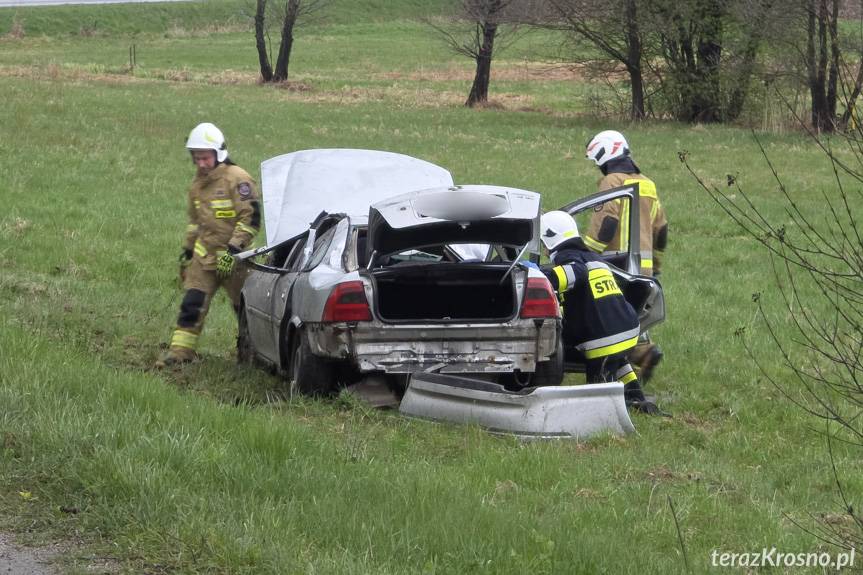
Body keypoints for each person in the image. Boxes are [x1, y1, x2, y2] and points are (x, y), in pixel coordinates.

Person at [155, 122, 261, 368]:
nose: (201, 163)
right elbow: (195, 222)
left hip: (236, 262)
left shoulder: (238, 179)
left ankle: (253, 356)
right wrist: (188, 250)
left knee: (245, 311)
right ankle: (180, 353)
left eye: (205, 158)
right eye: (196, 158)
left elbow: (251, 219)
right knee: (191, 305)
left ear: (218, 153)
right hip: (204, 259)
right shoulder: (197, 185)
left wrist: (233, 250)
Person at [537, 210, 659, 414]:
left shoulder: (568, 257)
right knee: (618, 362)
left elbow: (576, 272)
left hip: (604, 338)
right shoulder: (592, 257)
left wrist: (542, 276)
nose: (543, 250)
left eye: (543, 244)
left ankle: (611, 413)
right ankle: (636, 399)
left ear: (551, 240)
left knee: (598, 392)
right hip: (628, 329)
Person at [582, 129, 666, 384]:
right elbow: (661, 230)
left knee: (605, 320)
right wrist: (656, 265)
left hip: (615, 266)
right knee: (628, 316)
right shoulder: (648, 184)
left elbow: (606, 222)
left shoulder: (612, 182)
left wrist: (586, 253)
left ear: (605, 155)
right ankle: (643, 352)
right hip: (644, 270)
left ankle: (613, 372)